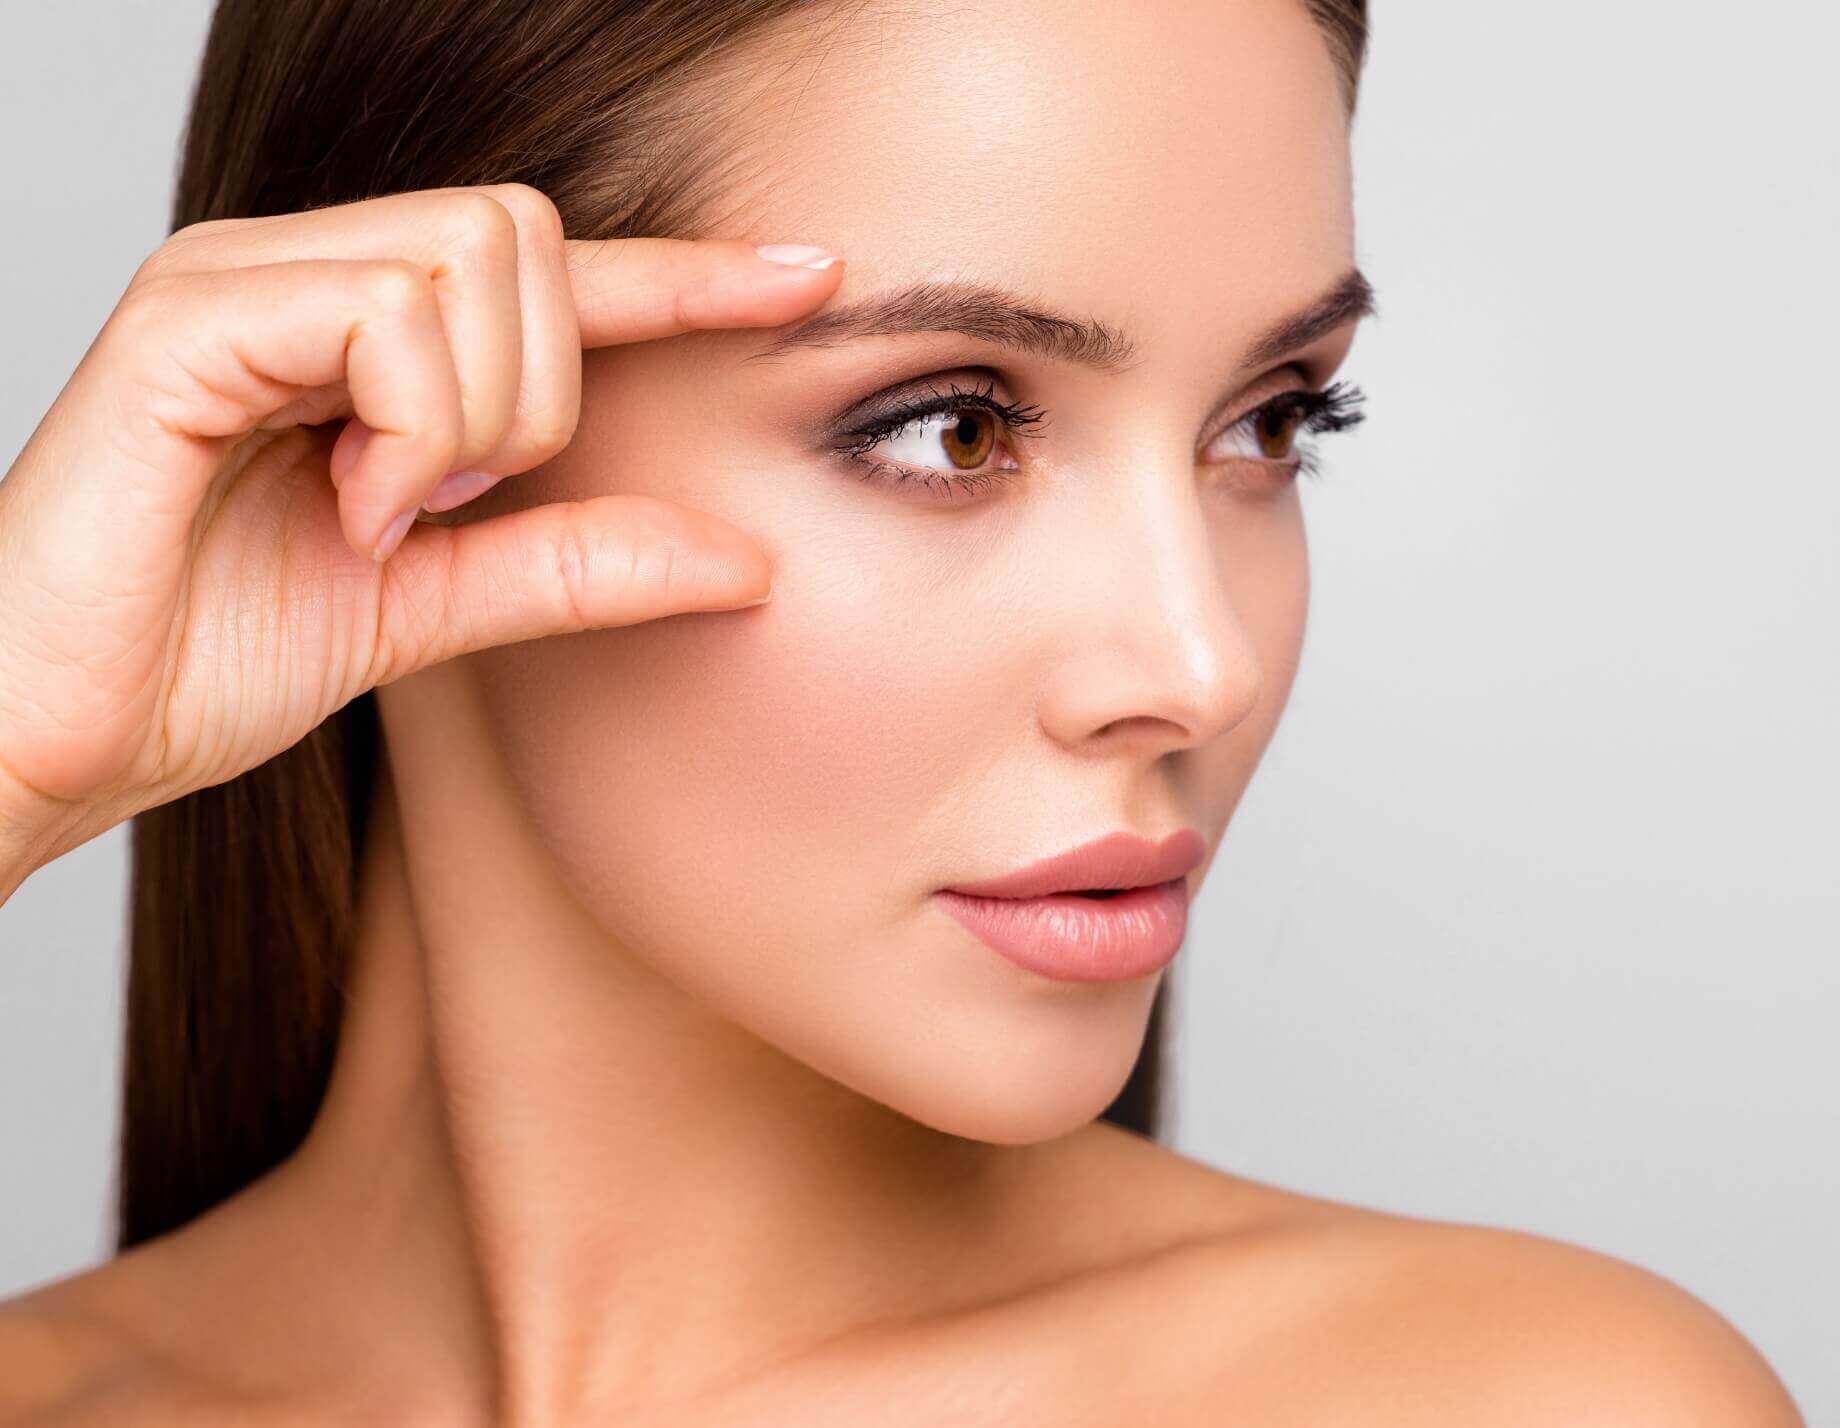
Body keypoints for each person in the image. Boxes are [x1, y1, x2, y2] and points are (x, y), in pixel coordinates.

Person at [0, 0, 1806, 1422]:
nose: (1199, 665)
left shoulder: (1534, 1405)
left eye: (1269, 423)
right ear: (401, 422)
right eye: (952, 424)